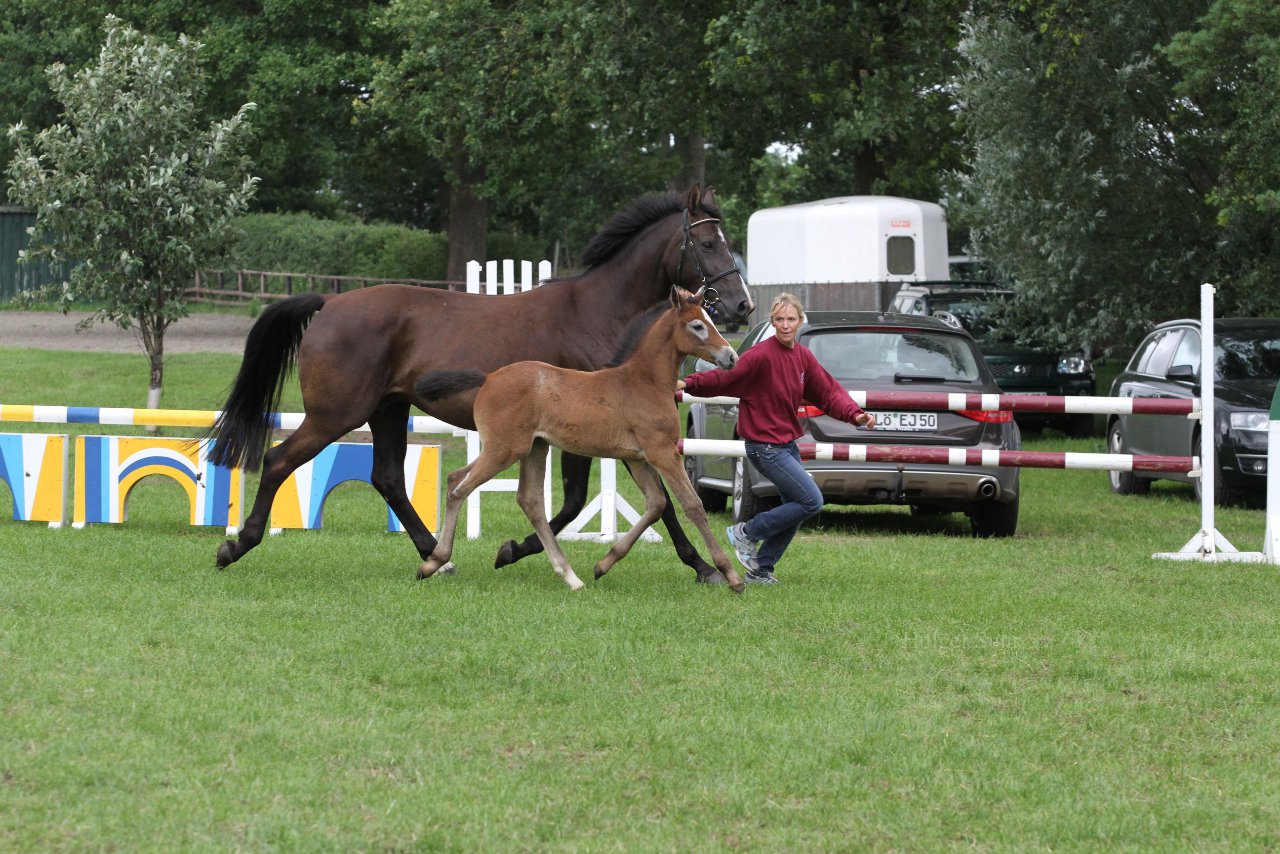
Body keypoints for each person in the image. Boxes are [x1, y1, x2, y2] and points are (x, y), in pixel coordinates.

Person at [677, 293, 876, 584]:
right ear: (772, 322)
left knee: (795, 507)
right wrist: (687, 384)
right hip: (764, 446)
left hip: (786, 444)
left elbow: (829, 393)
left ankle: (761, 569)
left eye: (791, 319)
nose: (785, 325)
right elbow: (724, 379)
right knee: (811, 501)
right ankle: (746, 532)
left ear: (800, 321)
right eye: (780, 319)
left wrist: (855, 414)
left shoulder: (803, 357)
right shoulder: (759, 356)